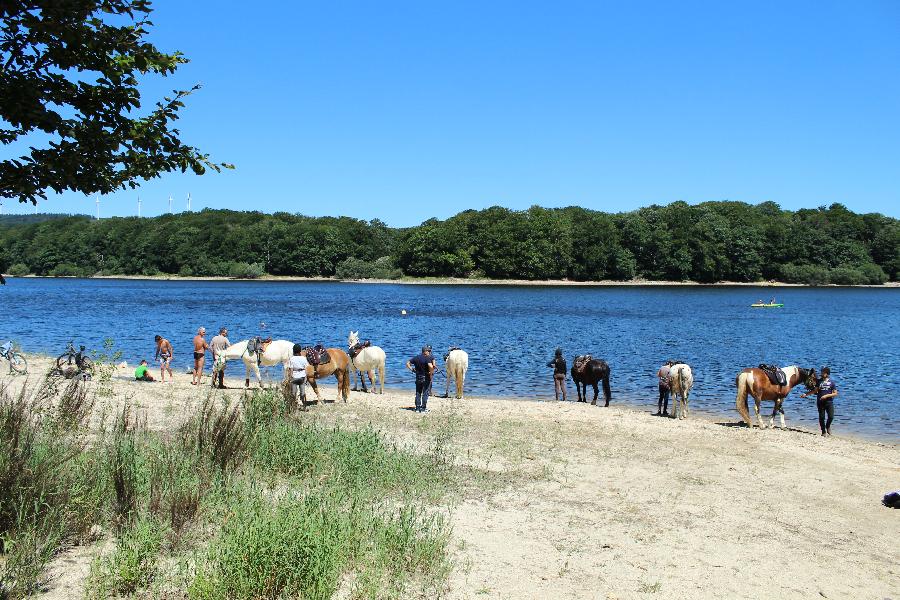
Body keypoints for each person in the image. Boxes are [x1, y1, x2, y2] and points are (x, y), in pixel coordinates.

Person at [802, 366, 838, 436]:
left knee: (831, 416)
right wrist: (806, 394)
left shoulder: (831, 382)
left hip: (829, 402)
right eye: (821, 372)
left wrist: (826, 396)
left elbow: (835, 393)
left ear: (827, 374)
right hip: (820, 402)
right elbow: (815, 391)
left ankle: (828, 426)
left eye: (823, 372)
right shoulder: (819, 381)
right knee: (822, 417)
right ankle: (823, 431)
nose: (821, 373)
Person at [406, 345, 435, 413]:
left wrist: (412, 370)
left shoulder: (416, 358)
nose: (429, 353)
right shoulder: (427, 358)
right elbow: (430, 366)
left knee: (418, 392)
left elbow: (407, 363)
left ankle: (417, 407)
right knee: (425, 393)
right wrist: (431, 373)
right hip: (426, 377)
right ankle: (423, 408)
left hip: (418, 377)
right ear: (425, 351)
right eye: (429, 351)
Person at [289, 344, 309, 409]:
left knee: (293, 393)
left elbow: (291, 369)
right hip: (302, 378)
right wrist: (306, 378)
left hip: (294, 377)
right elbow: (306, 369)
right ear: (300, 351)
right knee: (302, 393)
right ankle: (304, 406)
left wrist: (290, 378)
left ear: (294, 351)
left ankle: (293, 406)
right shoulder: (304, 358)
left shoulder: (292, 359)